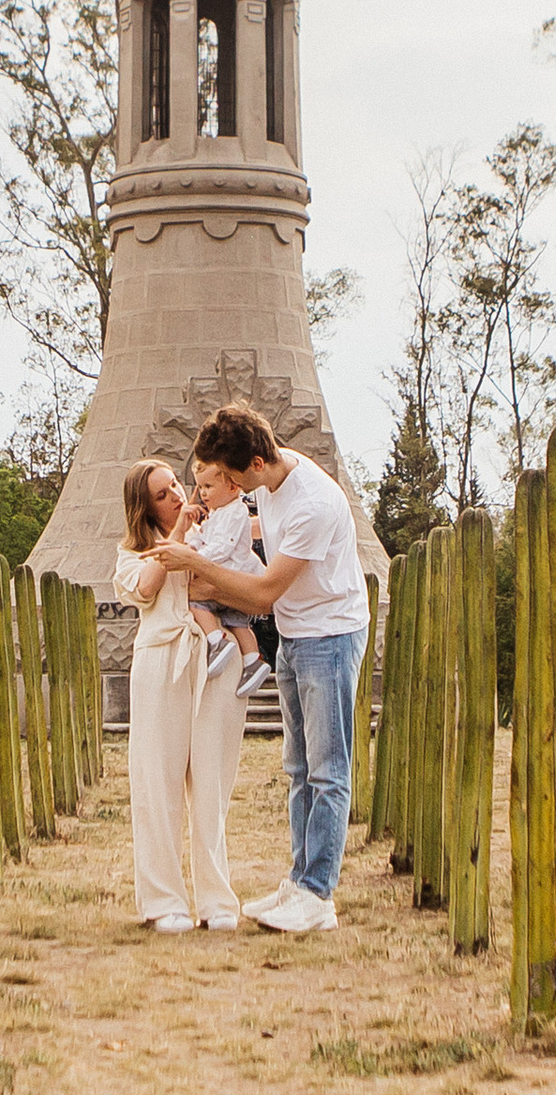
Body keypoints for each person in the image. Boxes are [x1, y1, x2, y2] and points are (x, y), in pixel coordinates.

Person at [150, 401, 368, 935]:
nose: (220, 484)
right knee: (297, 769)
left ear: (252, 462)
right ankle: (297, 883)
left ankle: (318, 895)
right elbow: (247, 537)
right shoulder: (271, 480)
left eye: (226, 476)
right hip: (297, 635)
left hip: (331, 635)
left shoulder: (312, 503)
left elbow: (266, 594)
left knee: (328, 770)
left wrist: (197, 564)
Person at [111, 458, 247, 932]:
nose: (176, 496)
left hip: (215, 661)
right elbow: (147, 590)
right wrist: (180, 539)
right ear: (145, 507)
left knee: (212, 781)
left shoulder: (217, 530)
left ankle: (216, 901)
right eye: (163, 494)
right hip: (162, 662)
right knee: (158, 781)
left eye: (175, 485)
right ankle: (164, 900)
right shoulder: (135, 554)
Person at [182, 459, 274, 698]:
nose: (203, 493)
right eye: (200, 487)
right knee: (236, 620)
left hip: (232, 575)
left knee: (197, 603)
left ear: (232, 487)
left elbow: (223, 547)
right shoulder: (217, 514)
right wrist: (190, 546)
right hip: (229, 576)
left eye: (209, 486)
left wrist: (195, 560)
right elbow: (203, 536)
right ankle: (252, 660)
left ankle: (217, 641)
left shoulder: (235, 512)